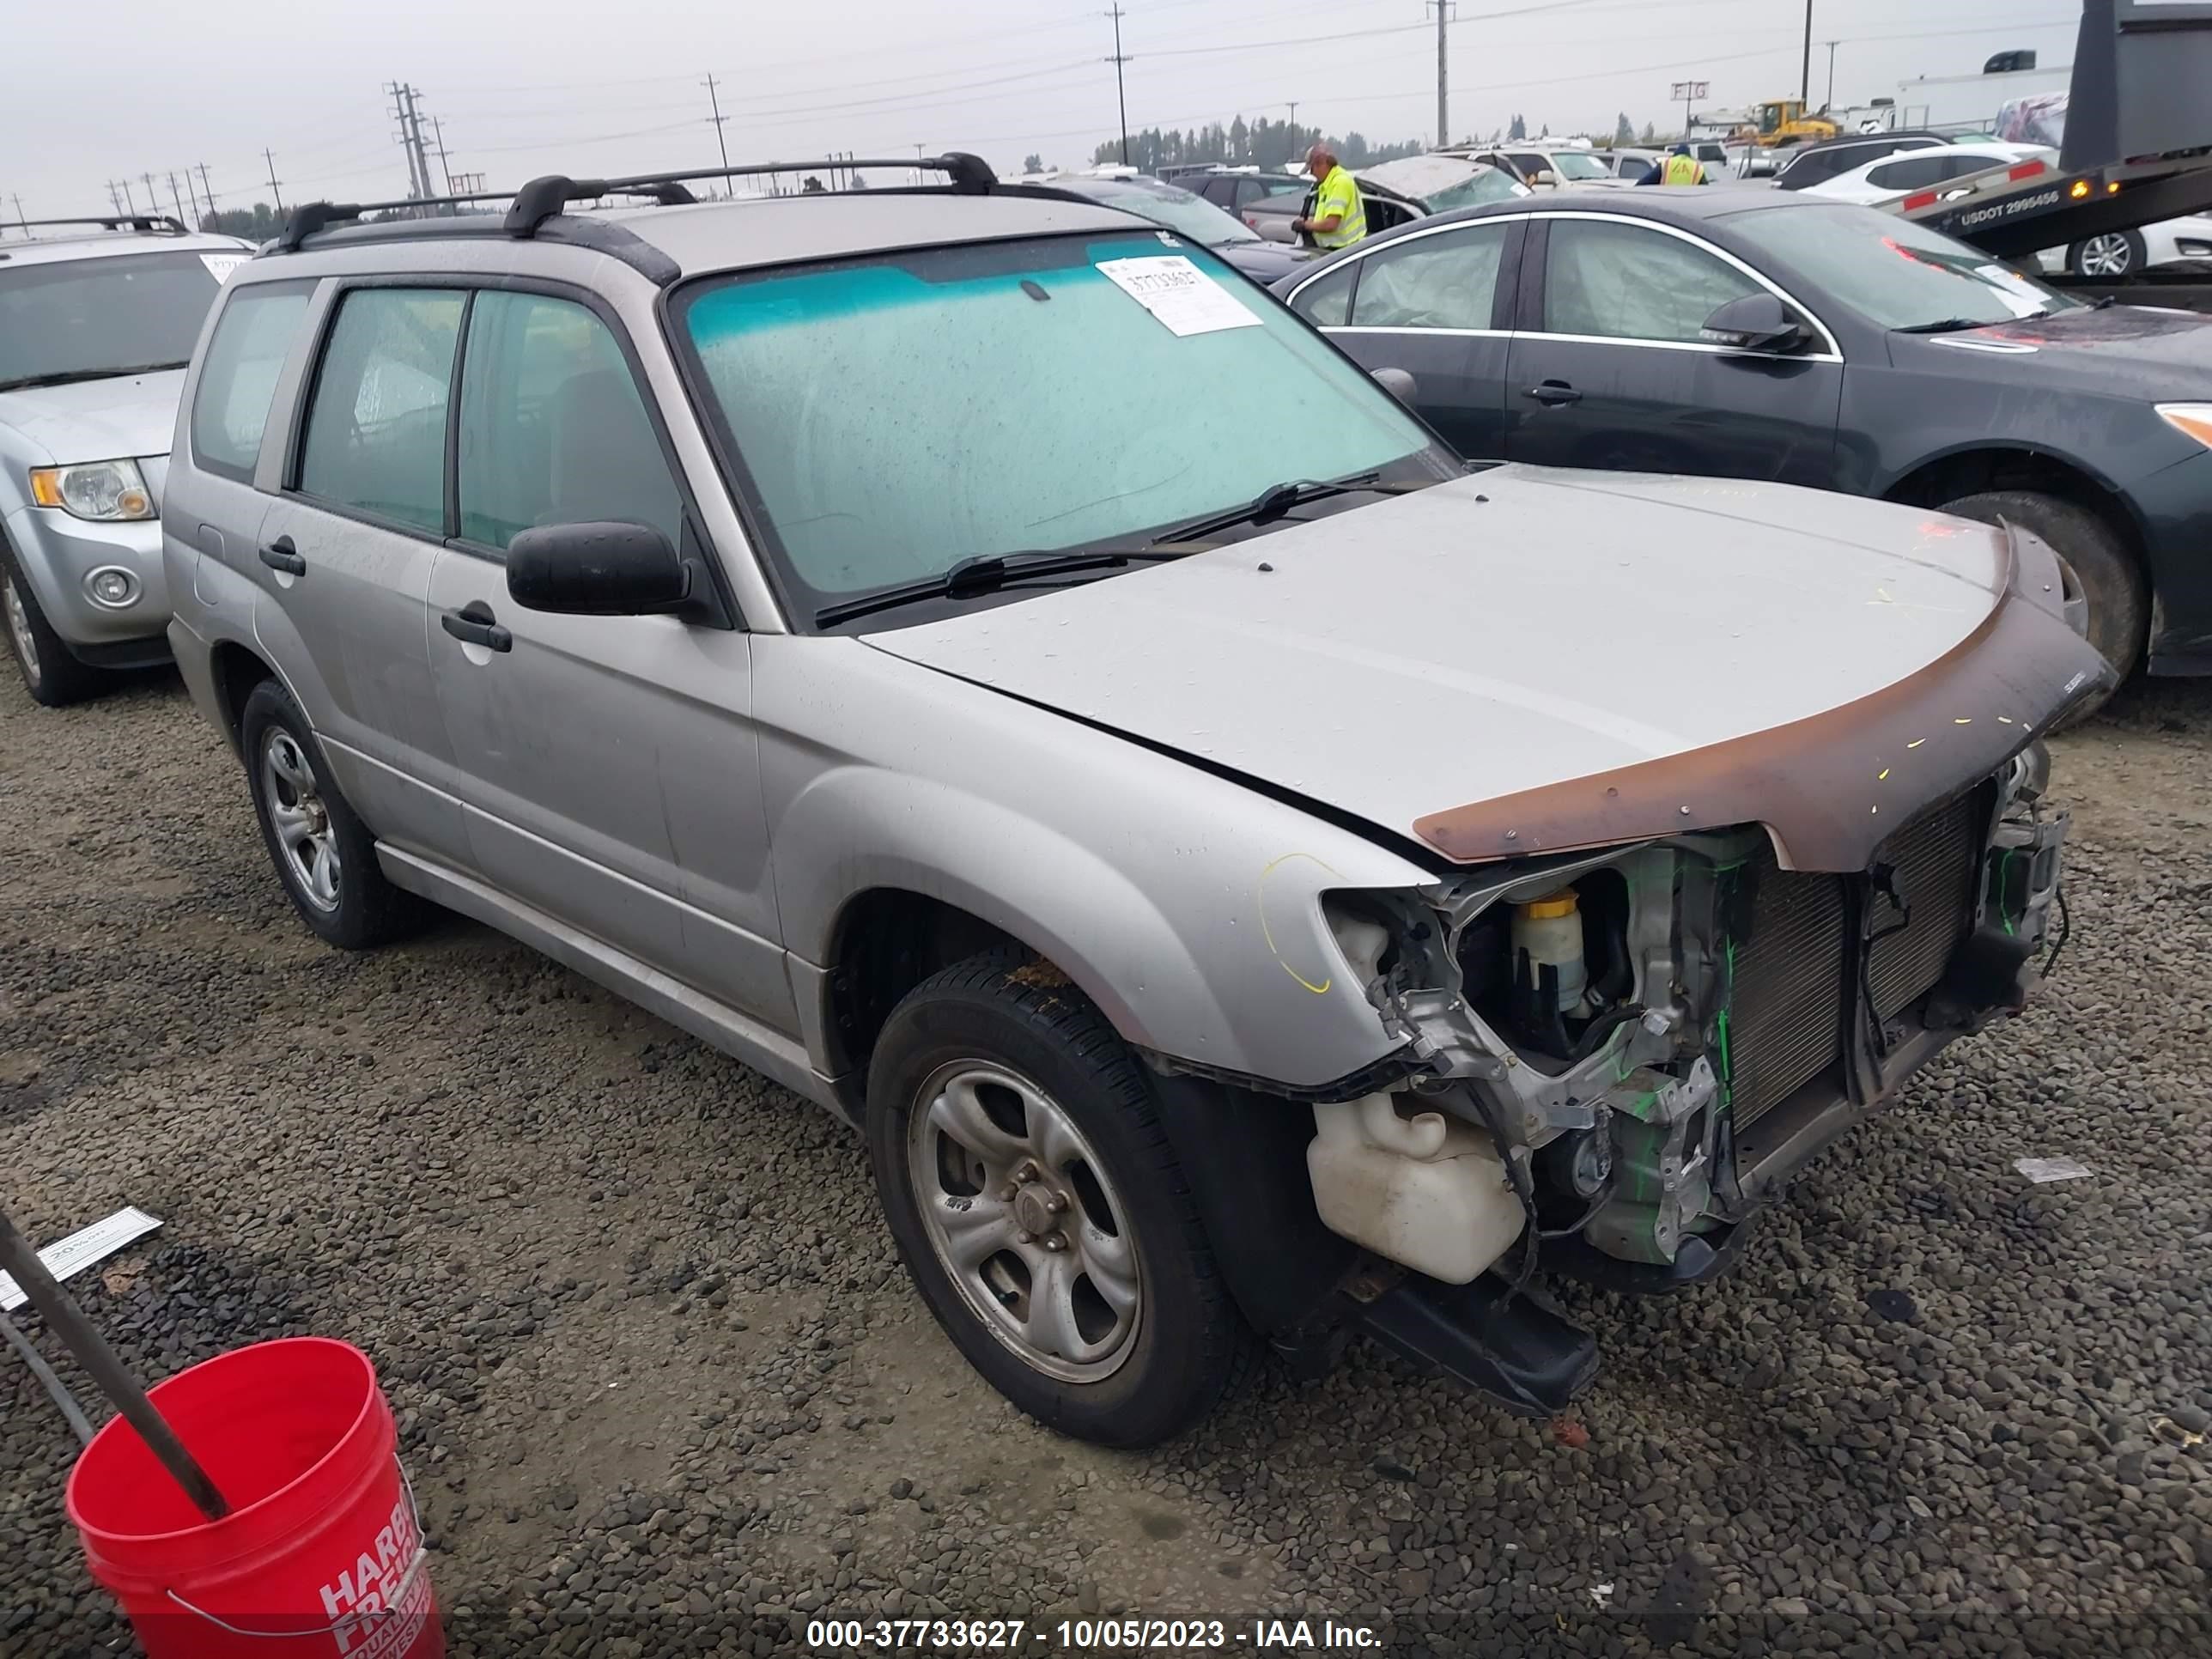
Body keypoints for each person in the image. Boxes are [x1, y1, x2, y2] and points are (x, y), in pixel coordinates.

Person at [1291, 143, 1367, 250]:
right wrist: (1310, 222)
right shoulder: (1327, 184)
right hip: (1338, 250)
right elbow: (1325, 217)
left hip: (1345, 250)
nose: (1312, 173)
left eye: (1312, 169)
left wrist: (1305, 225)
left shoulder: (1340, 182)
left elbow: (1331, 224)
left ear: (1322, 163)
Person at [1638, 143, 1708, 186]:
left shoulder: (1666, 164)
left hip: (1667, 201)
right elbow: (1704, 189)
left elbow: (1645, 182)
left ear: (1675, 154)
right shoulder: (1697, 167)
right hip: (1688, 204)